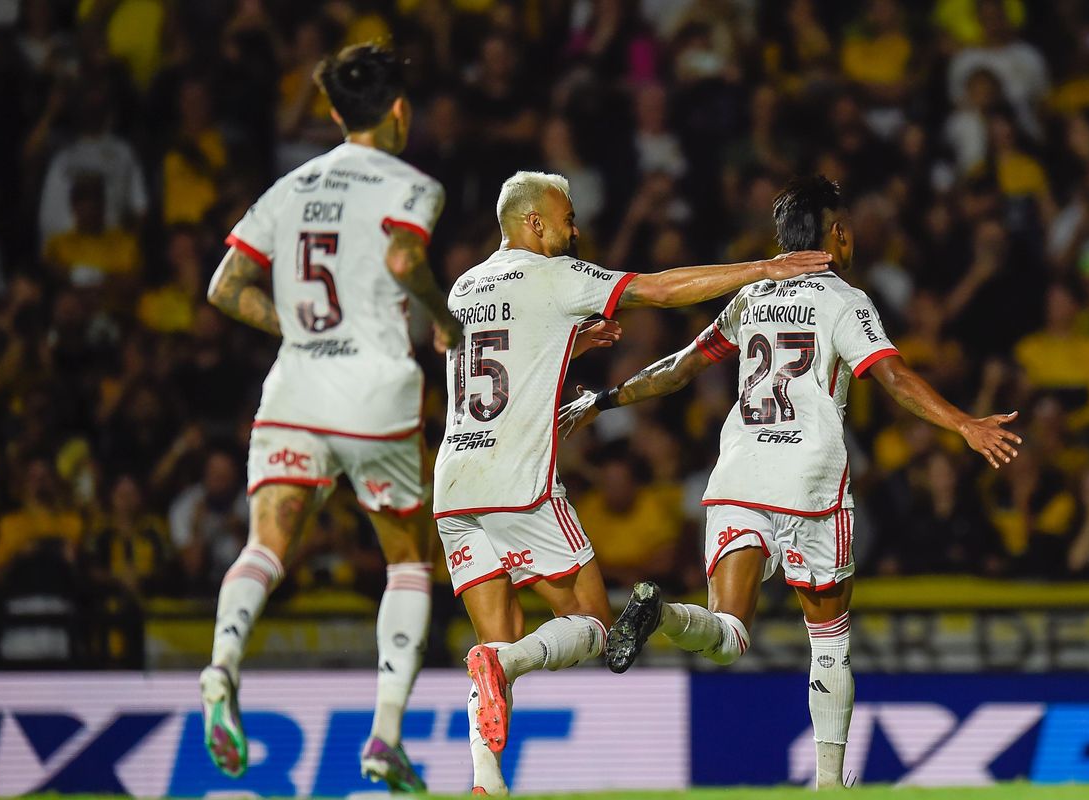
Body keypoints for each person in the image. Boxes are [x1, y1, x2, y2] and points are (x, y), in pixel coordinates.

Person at [557, 176, 1022, 789]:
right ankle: (829, 783)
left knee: (727, 634)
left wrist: (604, 399)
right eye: (844, 224)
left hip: (738, 475)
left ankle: (662, 613)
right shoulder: (843, 300)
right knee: (828, 637)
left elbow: (681, 368)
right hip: (809, 478)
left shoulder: (751, 299)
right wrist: (962, 423)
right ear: (834, 234)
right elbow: (892, 377)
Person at [439, 171, 833, 796]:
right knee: (593, 623)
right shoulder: (554, 276)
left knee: (497, 630)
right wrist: (761, 269)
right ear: (533, 222)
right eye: (566, 219)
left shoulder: (466, 286)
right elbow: (659, 289)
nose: (576, 230)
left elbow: (502, 355)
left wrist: (573, 339)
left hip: (455, 483)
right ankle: (504, 664)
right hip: (517, 482)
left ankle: (485, 780)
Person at [197, 43, 478, 791]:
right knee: (409, 558)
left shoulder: (290, 186)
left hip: (294, 386)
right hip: (376, 390)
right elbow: (400, 264)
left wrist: (296, 328)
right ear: (399, 111)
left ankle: (222, 663)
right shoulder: (413, 186)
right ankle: (386, 733)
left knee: (268, 544)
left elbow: (225, 287)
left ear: (330, 113)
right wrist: (438, 313)